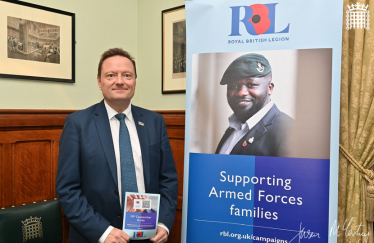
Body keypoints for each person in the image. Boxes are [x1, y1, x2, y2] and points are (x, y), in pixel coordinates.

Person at [56, 48, 178, 243]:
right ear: (99, 82)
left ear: (135, 81)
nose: (119, 81)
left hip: (147, 234)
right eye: (111, 75)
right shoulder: (77, 124)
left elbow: (168, 179)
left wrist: (163, 222)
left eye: (127, 75)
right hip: (97, 236)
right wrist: (103, 232)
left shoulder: (155, 121)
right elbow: (68, 190)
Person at [215, 53, 293, 157]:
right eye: (233, 86)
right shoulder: (234, 127)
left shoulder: (289, 132)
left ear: (270, 88)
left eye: (251, 85)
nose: (241, 92)